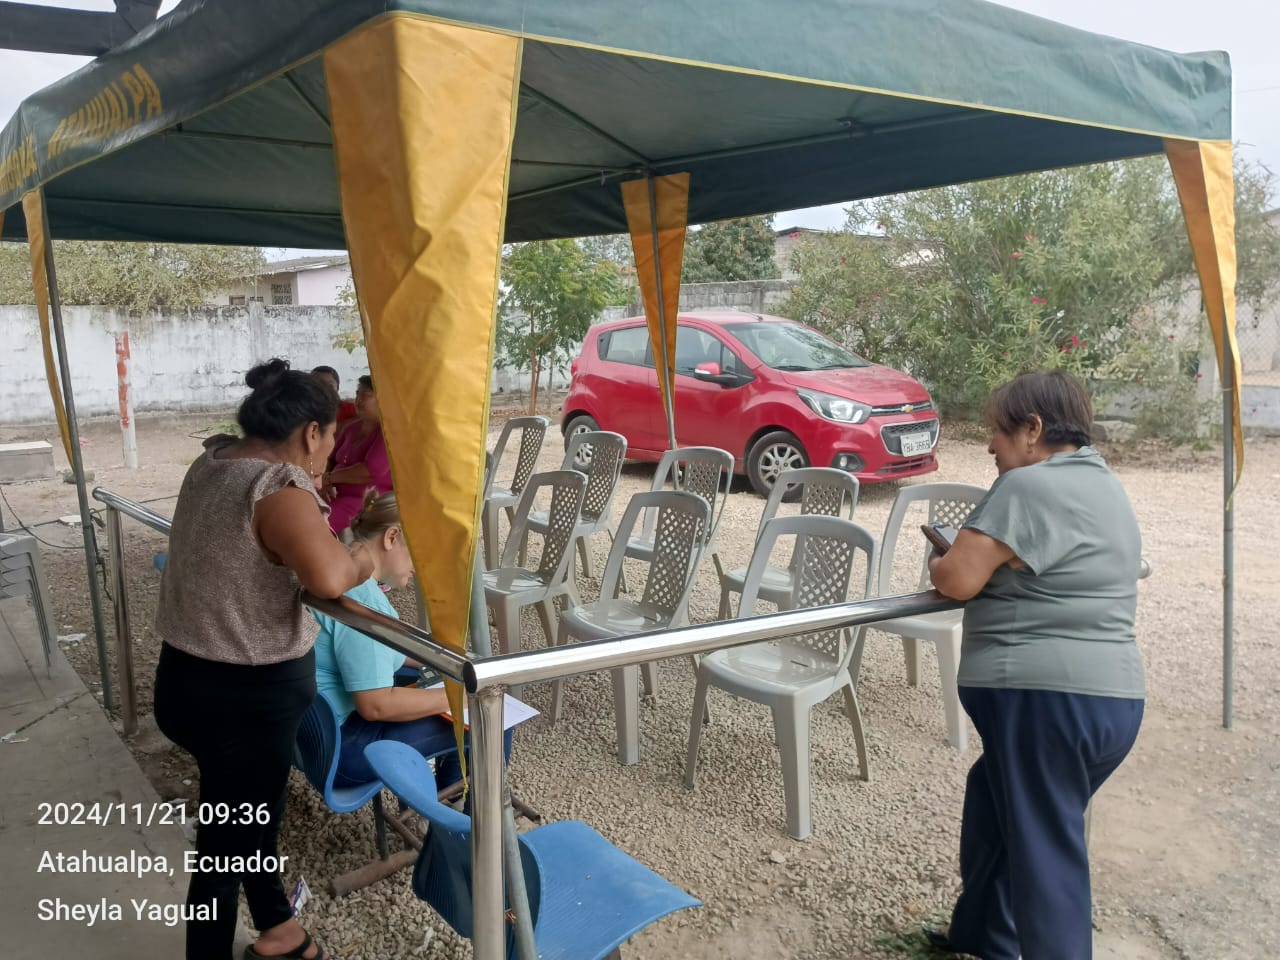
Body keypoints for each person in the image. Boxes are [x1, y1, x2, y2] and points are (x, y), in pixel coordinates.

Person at [153, 359, 376, 960]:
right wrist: (366, 557)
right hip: (243, 701)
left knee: (245, 817)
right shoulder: (278, 487)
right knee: (224, 851)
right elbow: (329, 577)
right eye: (330, 438)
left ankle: (279, 928)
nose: (331, 452)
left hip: (184, 681)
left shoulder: (213, 461)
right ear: (310, 431)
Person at [924, 370, 1145, 960]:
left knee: (1046, 857)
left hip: (1045, 702)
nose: (990, 447)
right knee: (995, 804)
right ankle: (983, 935)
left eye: (997, 432)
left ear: (1032, 429)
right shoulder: (1105, 485)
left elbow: (957, 579)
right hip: (1112, 703)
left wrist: (941, 559)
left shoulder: (1026, 486)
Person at [312, 490, 510, 790]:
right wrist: (460, 698)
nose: (422, 567)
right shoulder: (363, 600)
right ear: (391, 537)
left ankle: (450, 794)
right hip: (343, 749)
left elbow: (377, 651)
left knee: (442, 685)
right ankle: (458, 812)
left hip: (313, 734)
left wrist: (444, 660)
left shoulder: (341, 566)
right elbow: (375, 705)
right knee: (493, 716)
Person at [320, 374, 392, 536]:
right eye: (358, 393)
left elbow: (369, 472)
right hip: (334, 494)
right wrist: (324, 482)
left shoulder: (388, 433)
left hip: (365, 502)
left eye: (366, 395)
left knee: (317, 525)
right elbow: (329, 457)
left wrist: (329, 478)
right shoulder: (352, 427)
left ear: (382, 399)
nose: (358, 400)